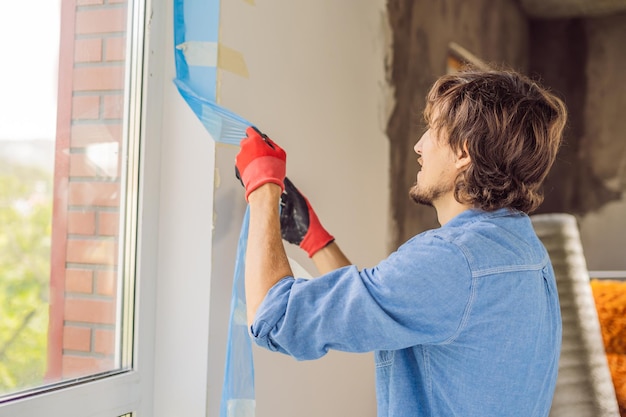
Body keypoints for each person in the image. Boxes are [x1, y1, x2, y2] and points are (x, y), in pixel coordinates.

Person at [234, 66, 567, 417]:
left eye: (433, 131)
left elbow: (274, 318)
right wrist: (316, 239)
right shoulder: (524, 249)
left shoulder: (452, 261)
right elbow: (383, 309)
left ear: (463, 153)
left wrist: (262, 188)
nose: (418, 146)